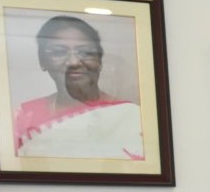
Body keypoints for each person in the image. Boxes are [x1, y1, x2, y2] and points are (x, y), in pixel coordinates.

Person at [12, 16, 145, 160]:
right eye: (59, 52)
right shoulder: (25, 116)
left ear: (99, 61)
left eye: (85, 53)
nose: (74, 62)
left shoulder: (131, 116)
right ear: (42, 61)